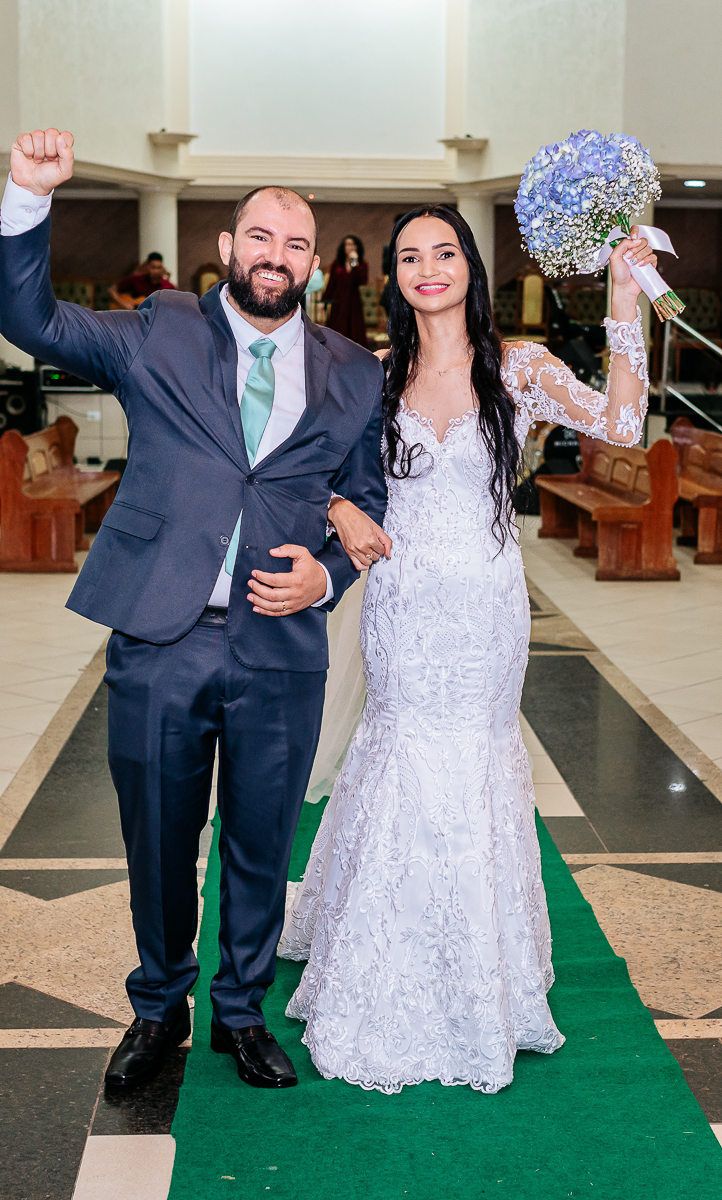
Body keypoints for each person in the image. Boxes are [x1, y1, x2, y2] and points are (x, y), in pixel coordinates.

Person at [0, 127, 386, 1091]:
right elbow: (33, 319)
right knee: (160, 839)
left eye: (297, 245)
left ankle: (241, 1014)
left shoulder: (353, 369)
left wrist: (327, 575)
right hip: (162, 635)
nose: (277, 258)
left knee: (260, 841)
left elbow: (370, 501)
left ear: (315, 259)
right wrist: (26, 198)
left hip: (282, 644)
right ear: (227, 246)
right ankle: (158, 1008)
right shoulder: (158, 328)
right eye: (260, 237)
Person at [280, 203, 654, 1095]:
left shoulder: (518, 368)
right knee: (402, 745)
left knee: (475, 759)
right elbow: (307, 471)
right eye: (409, 257)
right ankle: (381, 949)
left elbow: (623, 425)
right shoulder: (371, 373)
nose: (427, 268)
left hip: (486, 607)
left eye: (442, 252)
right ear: (392, 278)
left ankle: (481, 968)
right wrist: (338, 510)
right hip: (403, 600)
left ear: (468, 267)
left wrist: (623, 300)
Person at [323, 235, 369, 346]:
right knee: (337, 326)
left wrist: (355, 263)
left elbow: (361, 280)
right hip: (338, 299)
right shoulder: (336, 264)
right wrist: (325, 300)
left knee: (354, 328)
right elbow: (332, 283)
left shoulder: (362, 264)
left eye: (353, 244)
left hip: (353, 299)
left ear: (357, 247)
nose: (350, 247)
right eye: (347, 244)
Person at [108, 252, 177, 310]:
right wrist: (123, 303)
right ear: (147, 267)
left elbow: (174, 304)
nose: (156, 271)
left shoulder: (168, 286)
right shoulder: (136, 279)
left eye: (159, 268)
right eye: (153, 267)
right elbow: (111, 290)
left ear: (162, 268)